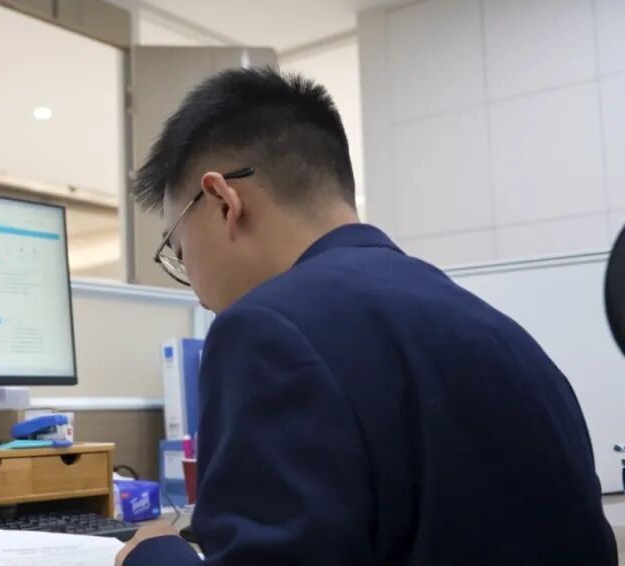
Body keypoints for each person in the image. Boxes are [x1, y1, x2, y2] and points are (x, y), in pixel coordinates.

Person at [115, 68, 617, 566]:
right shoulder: (504, 335)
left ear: (224, 202)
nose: (198, 294)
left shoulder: (265, 330)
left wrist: (151, 553)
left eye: (178, 250)